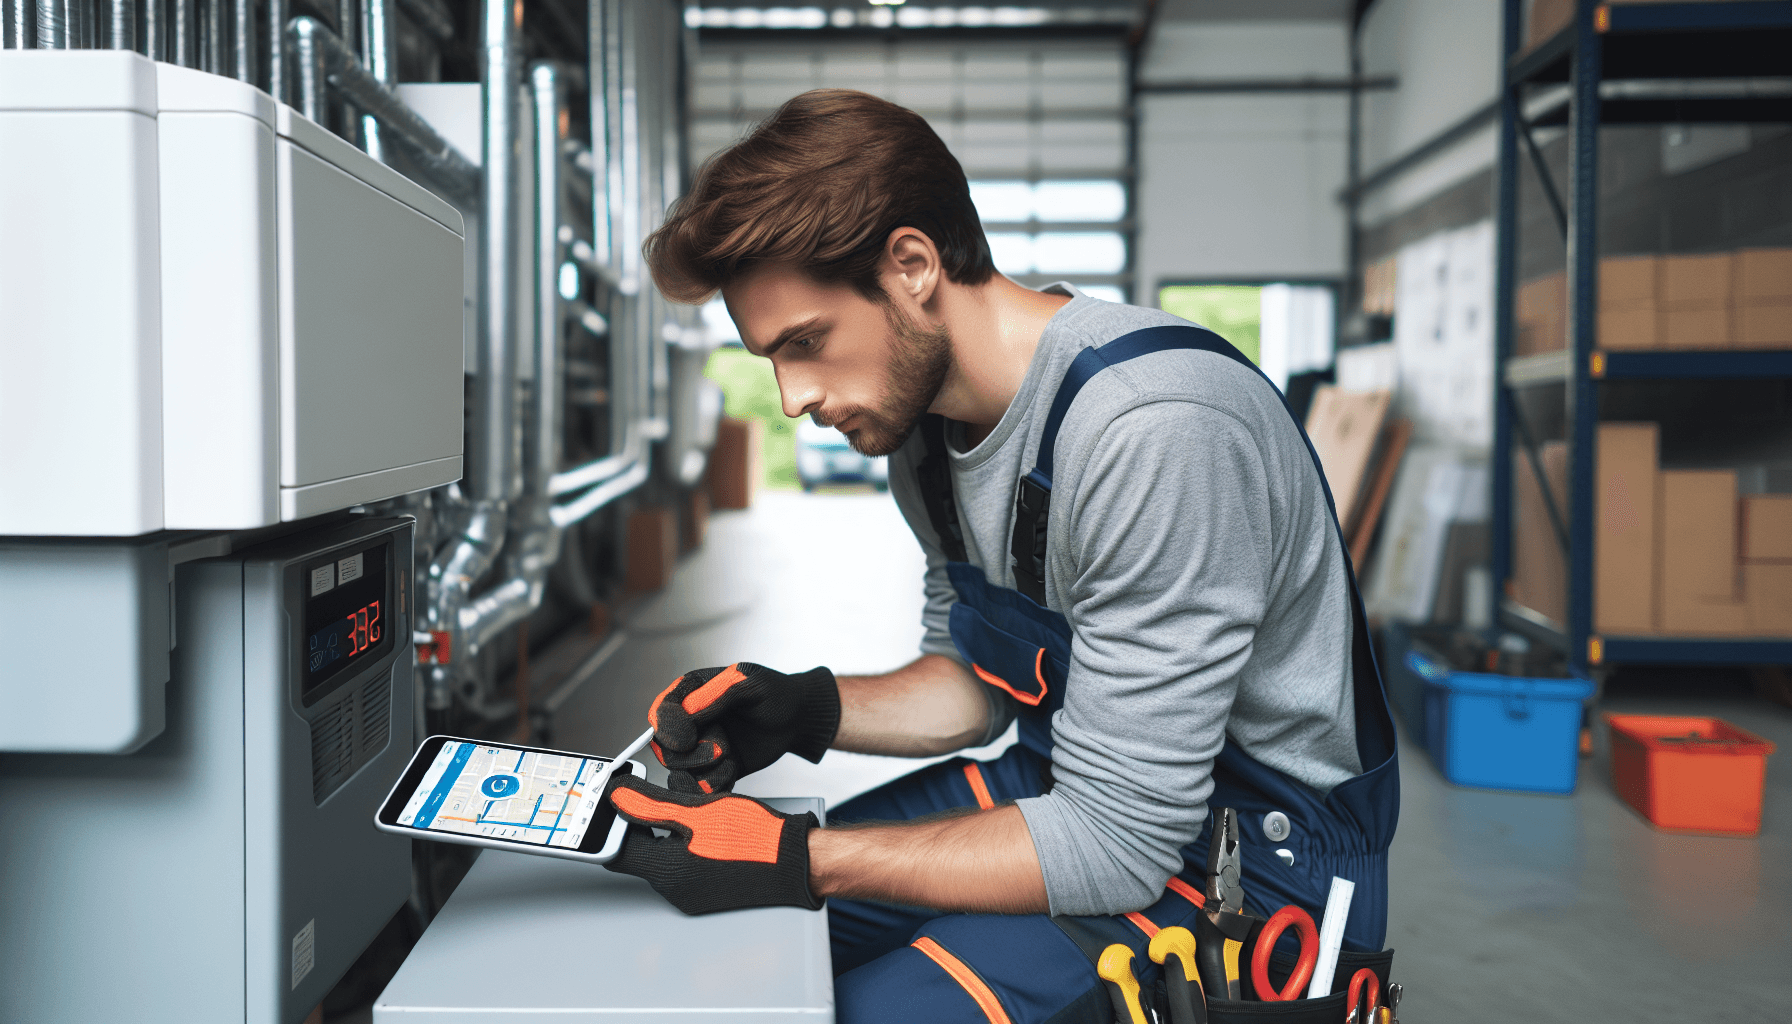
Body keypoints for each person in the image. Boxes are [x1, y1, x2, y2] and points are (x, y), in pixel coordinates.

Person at [599, 88, 1399, 1023]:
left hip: (1247, 864)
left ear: (911, 265)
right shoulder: (920, 439)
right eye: (772, 360)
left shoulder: (1155, 430)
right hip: (1072, 782)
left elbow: (1120, 845)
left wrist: (799, 856)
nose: (793, 399)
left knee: (852, 998)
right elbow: (976, 688)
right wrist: (802, 707)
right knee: (750, 941)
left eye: (807, 344)